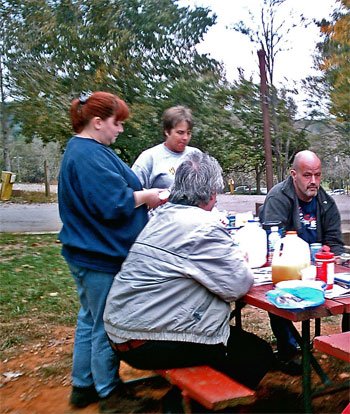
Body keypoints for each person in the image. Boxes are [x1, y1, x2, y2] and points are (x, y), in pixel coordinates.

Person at [104, 152, 274, 393]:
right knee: (256, 353)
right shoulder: (203, 226)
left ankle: (184, 398)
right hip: (148, 340)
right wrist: (240, 258)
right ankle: (196, 405)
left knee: (236, 343)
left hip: (121, 330)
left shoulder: (161, 216)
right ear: (213, 194)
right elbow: (238, 284)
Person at [58, 91, 164, 413]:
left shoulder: (87, 150)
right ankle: (109, 394)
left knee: (89, 319)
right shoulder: (88, 154)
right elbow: (113, 204)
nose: (120, 129)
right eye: (117, 123)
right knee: (106, 323)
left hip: (89, 254)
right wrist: (147, 196)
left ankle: (83, 386)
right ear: (98, 121)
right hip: (98, 257)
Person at [259, 150, 345, 374]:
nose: (314, 181)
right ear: (293, 174)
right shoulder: (279, 197)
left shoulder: (325, 201)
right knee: (276, 295)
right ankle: (288, 351)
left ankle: (345, 348)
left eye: (318, 175)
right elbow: (272, 241)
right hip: (287, 268)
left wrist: (331, 254)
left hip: (319, 270)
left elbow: (335, 242)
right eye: (308, 175)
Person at [131, 105, 201, 189]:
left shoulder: (197, 155)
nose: (185, 137)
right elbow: (132, 192)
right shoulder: (149, 157)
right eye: (180, 132)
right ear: (167, 132)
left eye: (188, 133)